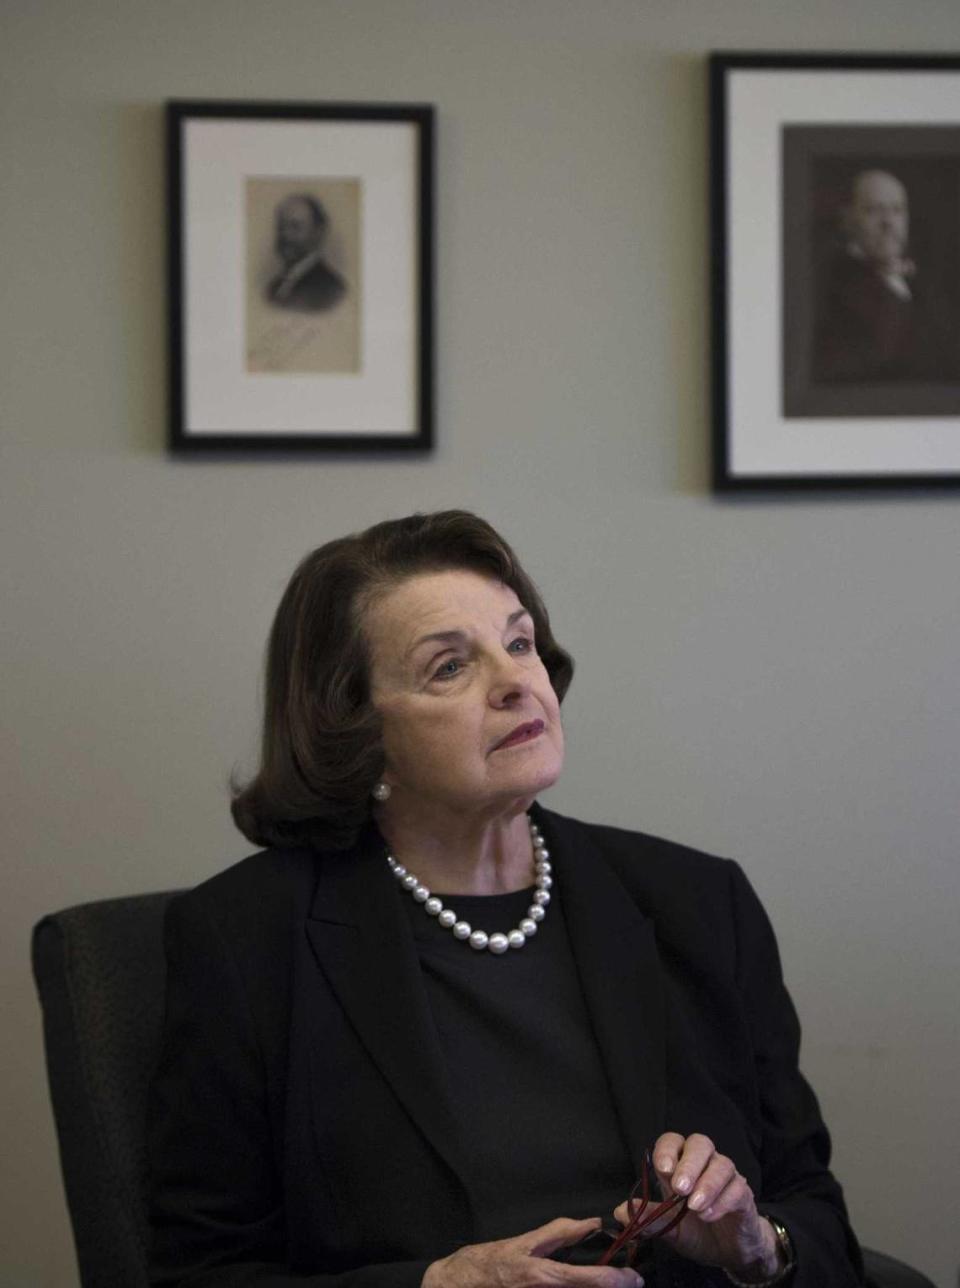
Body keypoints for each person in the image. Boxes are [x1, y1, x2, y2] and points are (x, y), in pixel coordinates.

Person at [148, 511, 865, 1288]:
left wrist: (761, 1246)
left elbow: (815, 1213)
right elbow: (199, 1272)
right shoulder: (246, 938)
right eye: (450, 667)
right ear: (354, 725)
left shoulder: (700, 904)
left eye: (519, 643)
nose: (517, 681)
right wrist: (432, 1286)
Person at [813, 168, 958, 382]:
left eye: (898, 210)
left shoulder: (921, 280)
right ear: (849, 219)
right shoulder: (832, 281)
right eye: (874, 210)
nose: (889, 222)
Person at [266, 192, 347, 312]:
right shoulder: (274, 287)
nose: (285, 235)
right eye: (281, 227)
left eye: (295, 227)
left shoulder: (331, 289)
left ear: (317, 233)